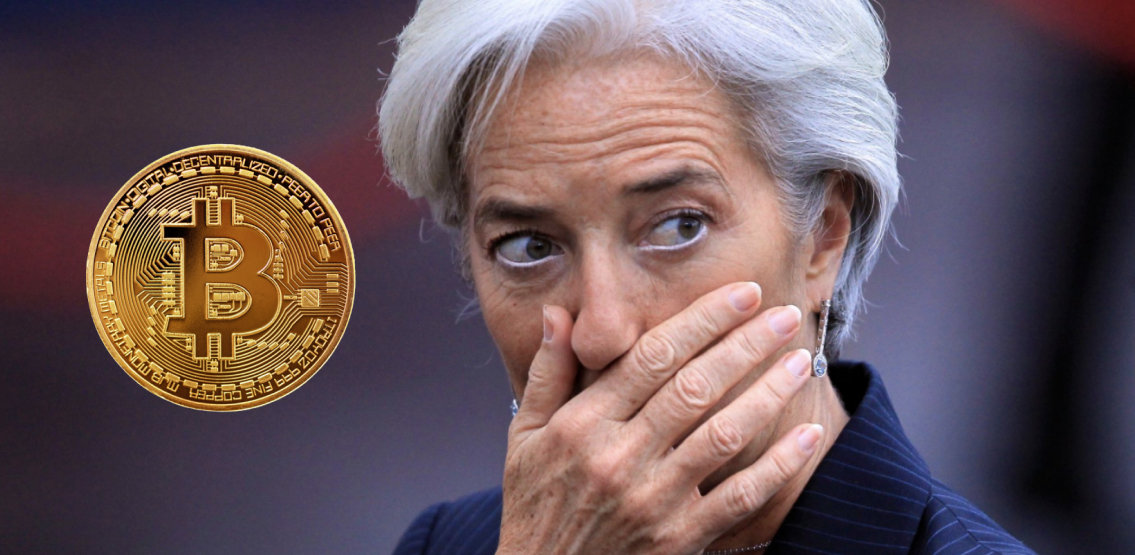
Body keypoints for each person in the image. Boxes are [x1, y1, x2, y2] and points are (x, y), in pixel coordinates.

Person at [377, 0, 1037, 553]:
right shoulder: (448, 542)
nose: (600, 333)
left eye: (677, 227)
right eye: (529, 246)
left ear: (823, 235)